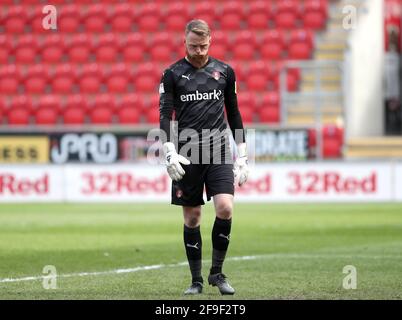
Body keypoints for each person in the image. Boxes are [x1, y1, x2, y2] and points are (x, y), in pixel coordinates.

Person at [159, 19, 249, 295]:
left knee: (225, 208)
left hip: (219, 148)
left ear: (211, 41)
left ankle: (217, 274)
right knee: (193, 217)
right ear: (184, 42)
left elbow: (234, 114)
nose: (198, 51)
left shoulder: (224, 71)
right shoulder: (172, 74)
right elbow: (165, 115)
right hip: (187, 153)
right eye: (193, 46)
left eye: (203, 45)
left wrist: (242, 154)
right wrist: (168, 150)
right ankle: (196, 280)